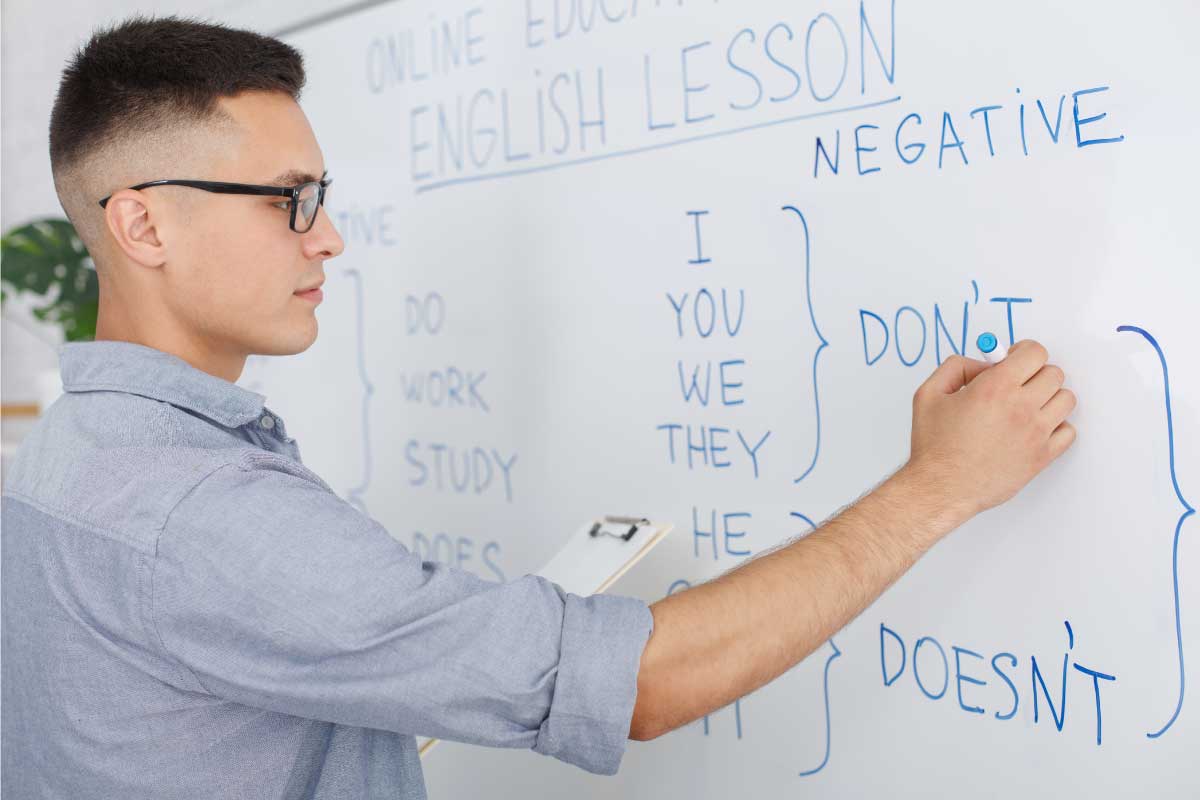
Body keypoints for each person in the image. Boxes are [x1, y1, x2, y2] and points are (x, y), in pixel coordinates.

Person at [0, 14, 1077, 800]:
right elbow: (643, 683)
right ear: (142, 226)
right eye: (294, 200)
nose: (327, 237)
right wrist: (941, 484)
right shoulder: (198, 513)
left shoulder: (71, 453)